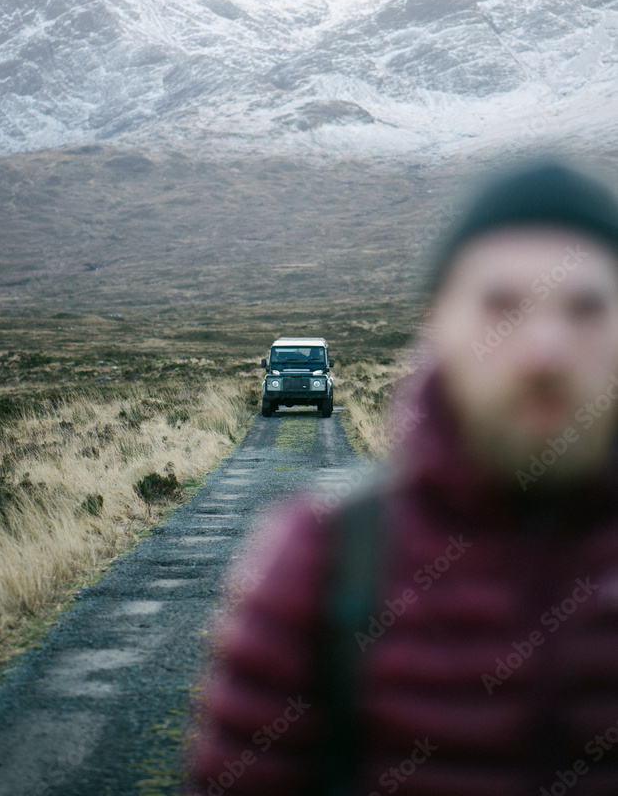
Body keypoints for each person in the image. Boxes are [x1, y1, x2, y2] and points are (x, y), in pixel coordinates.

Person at [190, 160, 618, 796]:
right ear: (435, 322)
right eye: (501, 305)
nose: (545, 350)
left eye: (586, 307)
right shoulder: (321, 563)